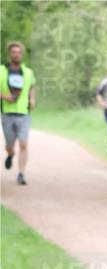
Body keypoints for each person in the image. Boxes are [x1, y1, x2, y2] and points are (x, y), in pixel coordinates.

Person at [1, 41, 36, 185]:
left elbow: (32, 86)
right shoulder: (2, 70)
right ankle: (10, 154)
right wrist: (4, 97)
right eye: (14, 52)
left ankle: (21, 173)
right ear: (10, 54)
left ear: (22, 54)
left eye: (19, 52)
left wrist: (32, 98)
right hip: (7, 113)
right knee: (9, 144)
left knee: (23, 143)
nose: (16, 54)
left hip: (23, 113)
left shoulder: (28, 72)